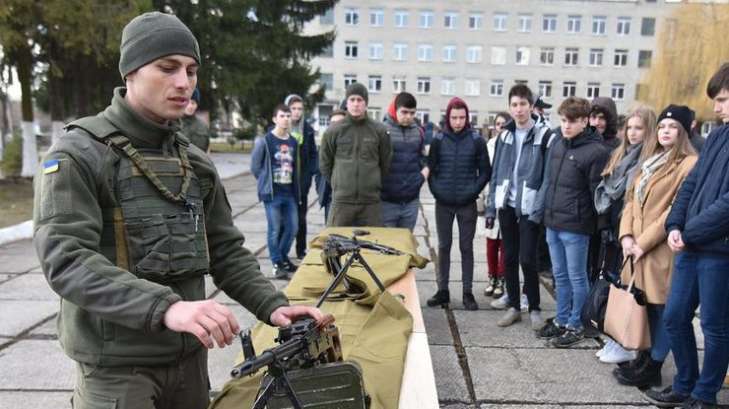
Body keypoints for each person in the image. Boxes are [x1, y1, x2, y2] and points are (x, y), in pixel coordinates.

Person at [32, 12, 321, 409]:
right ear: (131, 72)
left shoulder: (195, 163)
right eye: (167, 68)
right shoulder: (79, 154)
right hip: (117, 371)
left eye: (191, 70)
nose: (184, 82)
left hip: (189, 363)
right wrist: (167, 308)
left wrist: (273, 306)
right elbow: (66, 259)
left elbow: (224, 250)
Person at [646, 63, 729, 409]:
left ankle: (704, 395)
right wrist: (675, 225)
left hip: (719, 252)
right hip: (691, 245)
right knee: (675, 316)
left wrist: (688, 231)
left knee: (714, 326)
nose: (716, 107)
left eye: (723, 99)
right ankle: (685, 384)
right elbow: (691, 185)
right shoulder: (718, 136)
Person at [613, 105, 697, 387]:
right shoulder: (651, 159)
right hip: (635, 247)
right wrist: (626, 236)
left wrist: (643, 243)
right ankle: (643, 357)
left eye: (672, 127)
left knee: (661, 310)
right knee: (644, 306)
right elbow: (631, 200)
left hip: (658, 250)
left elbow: (674, 210)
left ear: (684, 131)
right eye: (661, 127)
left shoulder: (688, 164)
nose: (665, 132)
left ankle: (654, 365)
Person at [531, 96, 610, 348]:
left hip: (576, 227)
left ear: (585, 121)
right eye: (564, 120)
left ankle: (577, 323)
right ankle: (562, 318)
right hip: (553, 222)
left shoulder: (596, 152)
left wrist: (600, 225)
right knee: (560, 275)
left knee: (577, 277)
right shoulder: (557, 143)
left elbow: (598, 193)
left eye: (572, 121)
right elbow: (549, 183)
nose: (566, 125)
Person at [486, 84, 554, 329]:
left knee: (527, 258)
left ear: (531, 106)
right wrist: (491, 207)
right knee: (510, 257)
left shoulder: (544, 135)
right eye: (514, 105)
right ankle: (514, 306)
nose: (518, 109)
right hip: (506, 203)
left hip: (529, 207)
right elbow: (496, 173)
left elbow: (547, 177)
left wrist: (539, 209)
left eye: (523, 104)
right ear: (509, 107)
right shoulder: (504, 136)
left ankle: (534, 307)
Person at [593, 106, 657, 364]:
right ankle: (615, 336)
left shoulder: (650, 160)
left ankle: (628, 342)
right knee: (614, 286)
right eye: (629, 127)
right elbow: (608, 190)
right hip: (612, 230)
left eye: (639, 128)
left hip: (632, 233)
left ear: (649, 130)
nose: (632, 133)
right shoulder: (620, 154)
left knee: (630, 289)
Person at [426, 97, 490, 311]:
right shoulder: (438, 140)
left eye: (462, 117)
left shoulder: (476, 140)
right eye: (454, 117)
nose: (458, 122)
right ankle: (442, 290)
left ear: (467, 117)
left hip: (467, 203)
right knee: (444, 246)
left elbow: (485, 172)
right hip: (443, 203)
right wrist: (438, 192)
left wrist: (472, 192)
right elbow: (431, 169)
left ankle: (467, 292)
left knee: (466, 247)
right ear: (448, 117)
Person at [319, 83, 392, 227]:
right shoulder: (334, 131)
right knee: (334, 239)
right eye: (352, 100)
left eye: (360, 100)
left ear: (366, 103)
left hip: (370, 203)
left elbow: (385, 163)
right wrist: (339, 183)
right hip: (342, 202)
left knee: (373, 240)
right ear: (347, 103)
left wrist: (372, 182)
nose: (356, 104)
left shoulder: (379, 131)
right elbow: (325, 164)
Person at [251, 104, 300, 279]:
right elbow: (255, 167)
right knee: (274, 229)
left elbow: (295, 167)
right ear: (275, 119)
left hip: (289, 193)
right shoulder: (265, 141)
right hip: (272, 194)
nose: (286, 119)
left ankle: (282, 257)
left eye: (288, 116)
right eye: (282, 116)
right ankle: (277, 263)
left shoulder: (293, 141)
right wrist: (265, 183)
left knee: (293, 228)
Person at [380, 92, 428, 230]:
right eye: (404, 112)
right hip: (386, 202)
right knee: (386, 242)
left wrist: (421, 178)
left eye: (412, 113)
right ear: (395, 109)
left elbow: (423, 158)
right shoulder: (381, 131)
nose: (408, 116)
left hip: (411, 202)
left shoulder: (418, 132)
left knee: (406, 240)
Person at [284, 94, 318, 260]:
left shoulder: (308, 129)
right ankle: (281, 253)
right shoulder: (280, 128)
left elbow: (313, 155)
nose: (296, 112)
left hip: (301, 183)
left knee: (301, 219)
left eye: (300, 109)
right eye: (293, 109)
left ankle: (301, 249)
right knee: (283, 220)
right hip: (283, 183)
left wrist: (309, 174)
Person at [482, 112, 510, 298]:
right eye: (498, 124)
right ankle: (491, 277)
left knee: (505, 243)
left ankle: (501, 279)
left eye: (504, 124)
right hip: (491, 197)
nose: (501, 127)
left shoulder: (512, 144)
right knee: (491, 242)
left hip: (506, 198)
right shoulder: (490, 145)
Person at [315, 108, 346, 222]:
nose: (336, 126)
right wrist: (320, 190)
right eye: (333, 123)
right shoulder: (324, 145)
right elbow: (319, 172)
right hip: (330, 199)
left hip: (349, 201)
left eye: (340, 123)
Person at [181, 87, 211, 152]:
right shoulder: (172, 123)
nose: (190, 106)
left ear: (197, 105)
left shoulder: (203, 126)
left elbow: (206, 151)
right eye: (187, 102)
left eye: (193, 103)